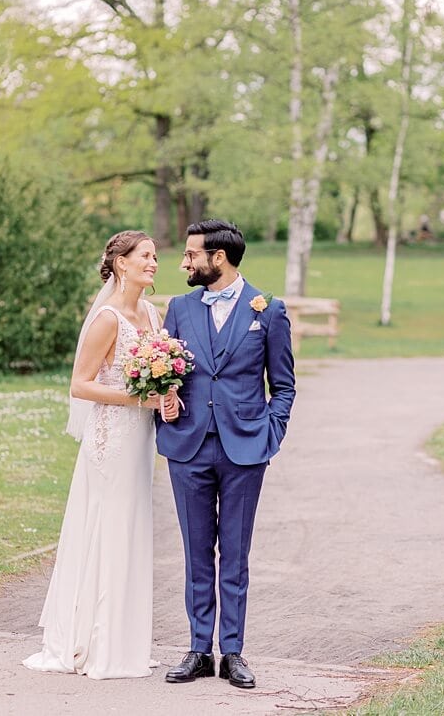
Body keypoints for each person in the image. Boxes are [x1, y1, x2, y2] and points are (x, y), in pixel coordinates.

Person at [24, 230, 176, 679]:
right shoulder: (107, 318)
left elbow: (159, 375)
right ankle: (91, 641)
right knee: (106, 529)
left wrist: (166, 396)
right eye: (146, 256)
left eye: (155, 256)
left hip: (140, 442)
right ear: (122, 263)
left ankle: (122, 640)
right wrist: (141, 399)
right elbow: (81, 385)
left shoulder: (152, 312)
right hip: (110, 441)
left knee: (130, 529)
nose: (153, 263)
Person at [158, 219, 296, 689]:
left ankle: (232, 651)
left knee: (235, 554)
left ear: (218, 258)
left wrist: (270, 433)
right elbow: (165, 372)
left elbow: (283, 384)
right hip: (189, 446)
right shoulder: (178, 307)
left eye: (192, 255)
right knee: (197, 552)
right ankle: (199, 648)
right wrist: (166, 403)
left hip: (244, 450)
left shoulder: (268, 310)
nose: (184, 263)